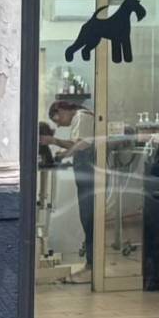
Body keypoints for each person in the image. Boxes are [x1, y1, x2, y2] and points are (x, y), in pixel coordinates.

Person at [45, 97, 97, 268]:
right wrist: (63, 152)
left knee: (89, 218)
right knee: (86, 217)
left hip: (90, 174)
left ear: (61, 111)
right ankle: (91, 263)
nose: (59, 125)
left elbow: (81, 144)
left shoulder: (82, 116)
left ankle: (92, 265)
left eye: (57, 120)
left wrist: (55, 143)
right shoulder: (79, 119)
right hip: (86, 174)